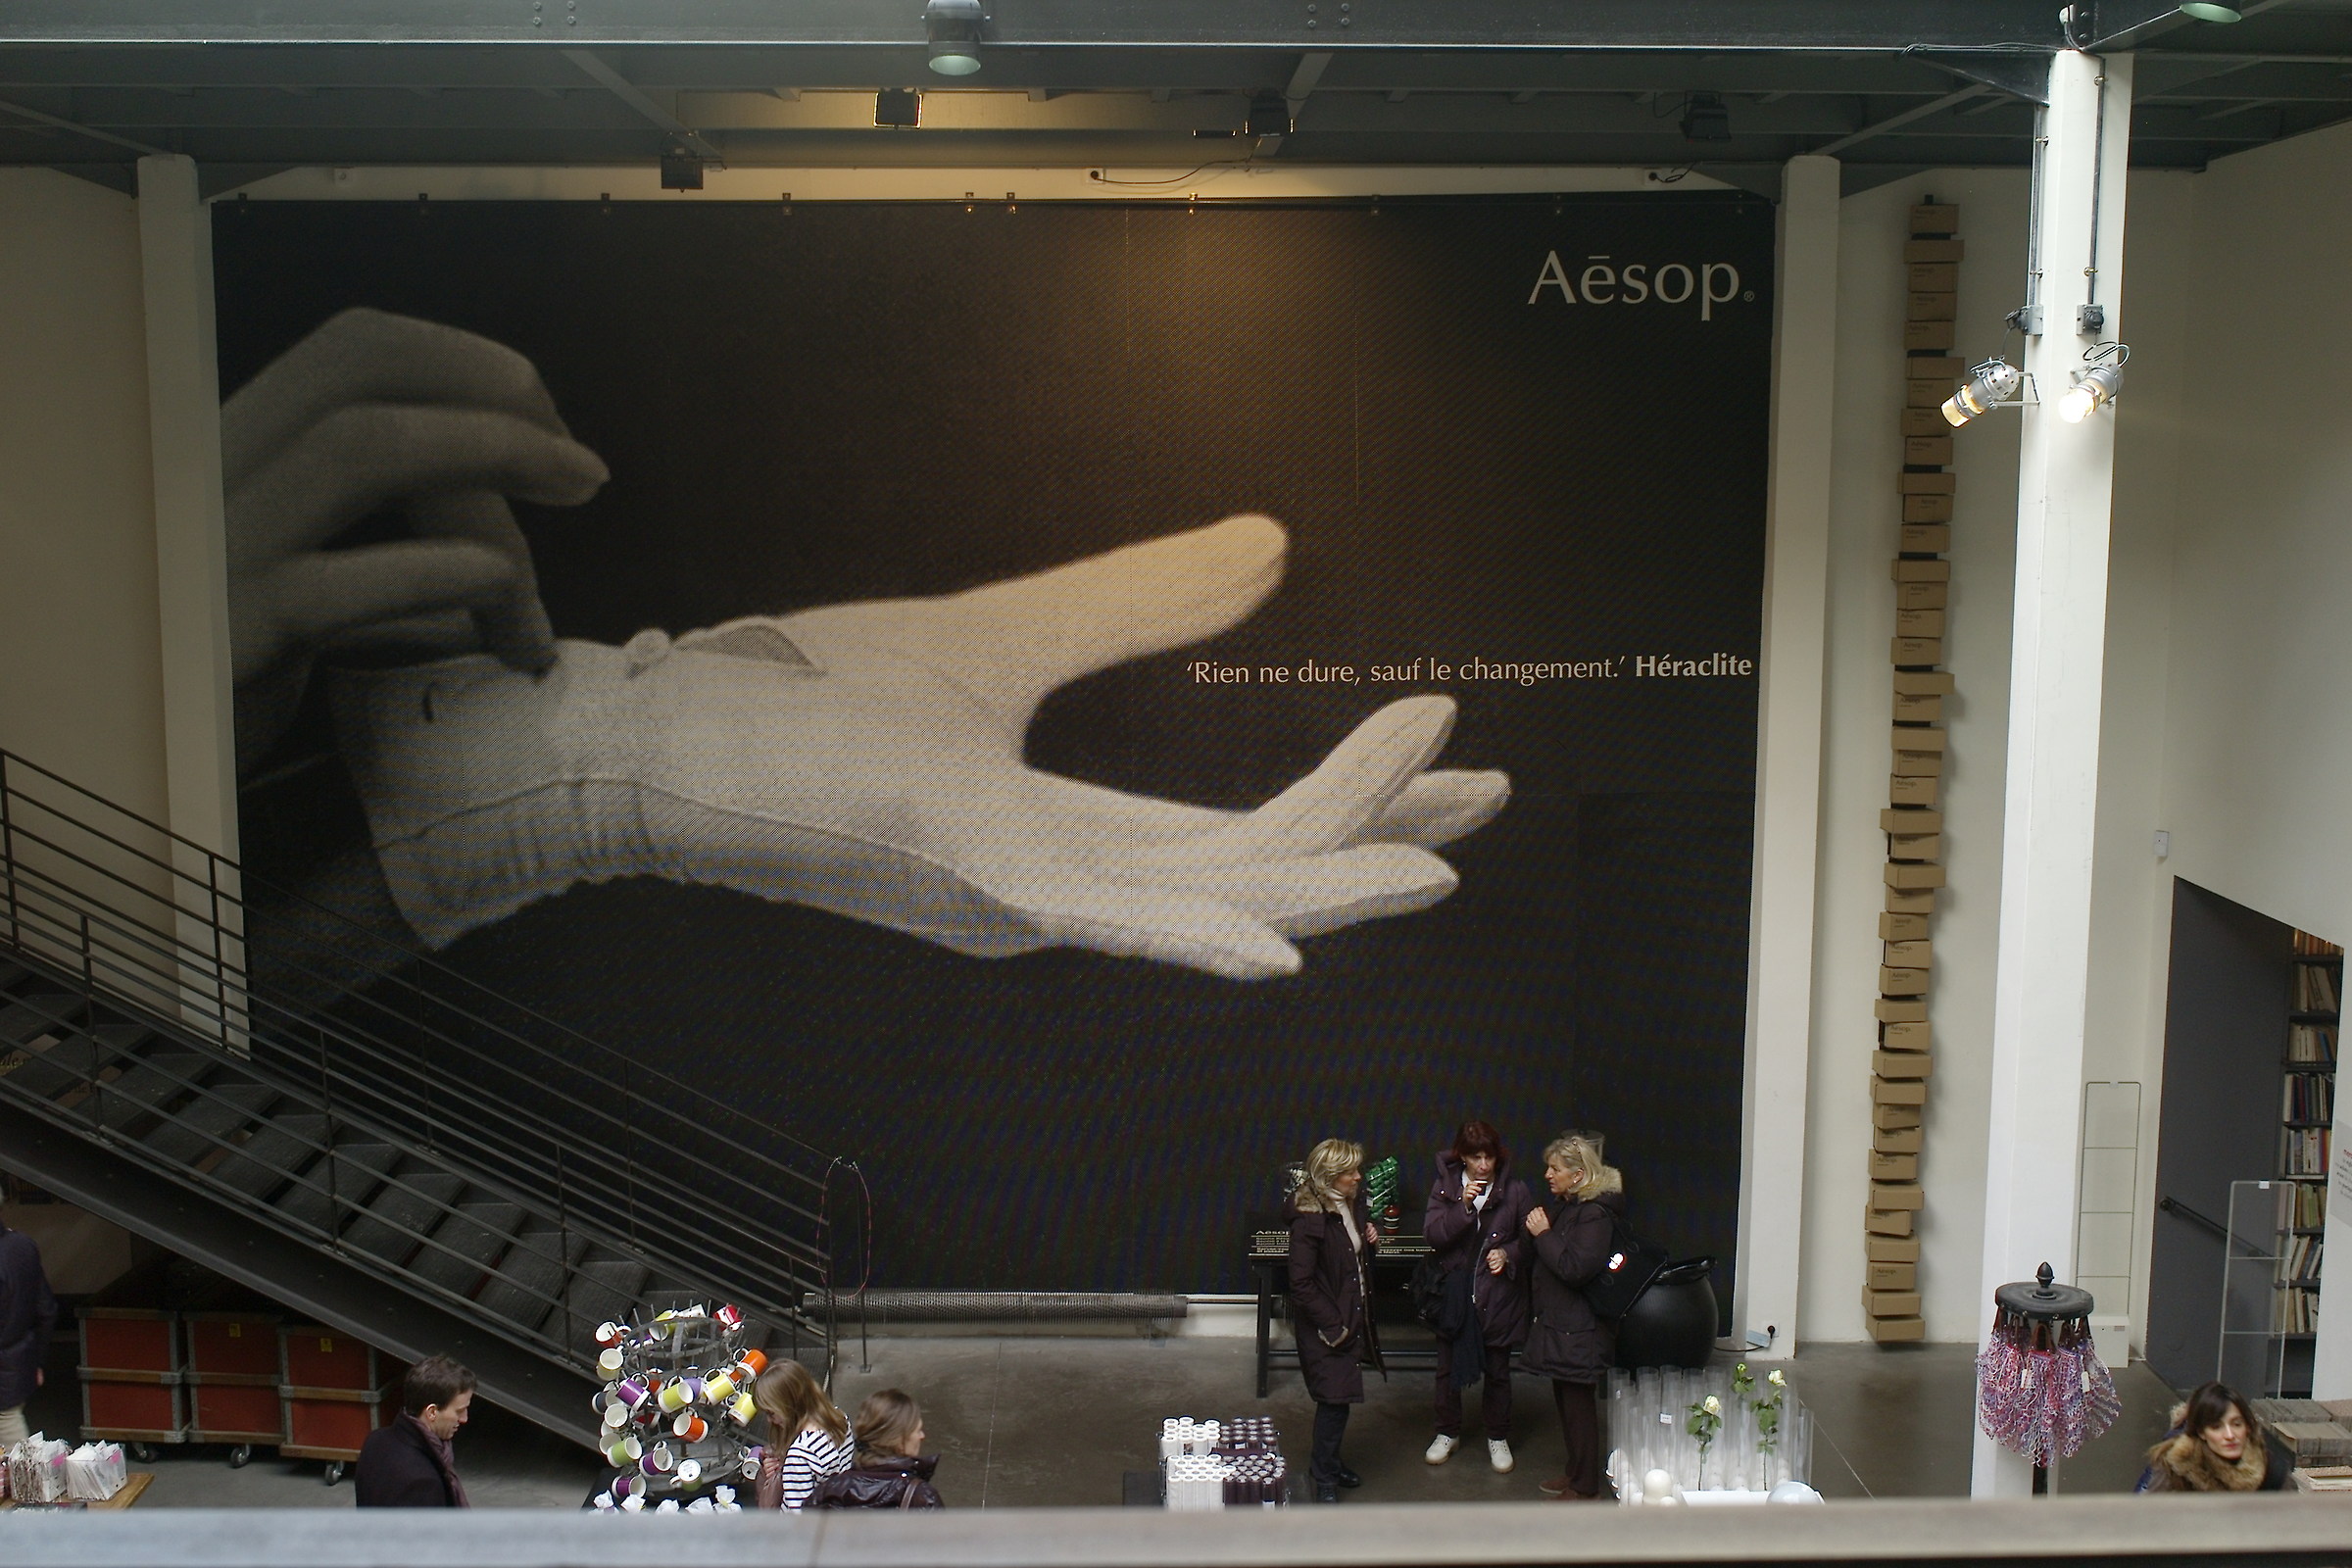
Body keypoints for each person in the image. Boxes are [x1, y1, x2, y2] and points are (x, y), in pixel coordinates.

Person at [1422, 1119, 1532, 1474]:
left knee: (1498, 1371)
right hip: (1455, 1295)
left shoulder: (1515, 1191)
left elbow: (1531, 1240)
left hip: (1498, 1297)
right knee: (1446, 1369)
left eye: (1489, 1157)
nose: (1484, 1165)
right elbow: (1434, 1236)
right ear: (1463, 1158)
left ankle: (1497, 1437)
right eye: (1476, 1157)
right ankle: (1446, 1432)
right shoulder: (1445, 1187)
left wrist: (1509, 1254)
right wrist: (1463, 1208)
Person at [1521, 1130, 1624, 1501]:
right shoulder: (1571, 1207)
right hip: (1564, 1327)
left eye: (1555, 1169)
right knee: (1567, 1402)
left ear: (1578, 1174)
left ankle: (1585, 1486)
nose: (1548, 1175)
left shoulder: (1594, 1215)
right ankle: (1575, 1472)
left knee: (1579, 1408)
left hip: (1581, 1329)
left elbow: (1575, 1267)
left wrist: (1543, 1233)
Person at [1288, 1137, 1384, 1502]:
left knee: (1339, 1399)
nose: (1359, 1177)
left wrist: (1367, 1236)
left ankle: (1328, 1462)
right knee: (1332, 1400)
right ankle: (1323, 1476)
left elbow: (1348, 1249)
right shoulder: (1309, 1219)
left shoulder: (1350, 1204)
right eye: (1351, 1172)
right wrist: (1334, 1326)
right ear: (1329, 1178)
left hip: (1347, 1317)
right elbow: (1301, 1284)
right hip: (1329, 1326)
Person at [356, 1354, 476, 1506]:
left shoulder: (375, 1440)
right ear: (432, 1412)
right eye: (459, 1411)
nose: (464, 1419)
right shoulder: (423, 1482)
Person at [2136, 1380, 2292, 1493]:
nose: (2230, 1436)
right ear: (2201, 1432)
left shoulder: (2272, 1471)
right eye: (2216, 1427)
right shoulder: (2174, 1467)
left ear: (2248, 1427)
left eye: (2237, 1424)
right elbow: (2145, 1520)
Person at [805, 1389, 945, 1509]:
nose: (922, 1436)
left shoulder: (828, 1492)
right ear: (897, 1439)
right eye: (917, 1430)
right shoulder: (921, 1498)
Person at [754, 1358, 854, 1510]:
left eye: (771, 1413)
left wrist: (789, 1469)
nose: (769, 1420)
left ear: (789, 1406)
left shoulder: (800, 1454)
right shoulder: (840, 1420)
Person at [0, 1215, 57, 1448]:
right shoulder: (23, 1245)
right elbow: (46, 1309)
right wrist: (37, 1362)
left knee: (16, 1459)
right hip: (17, 1363)